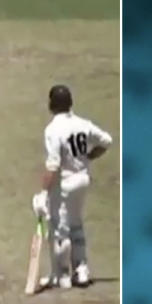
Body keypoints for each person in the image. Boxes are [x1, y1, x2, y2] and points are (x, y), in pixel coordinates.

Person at [33, 85, 112, 289]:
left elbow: (53, 165)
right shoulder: (83, 124)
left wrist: (43, 193)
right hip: (82, 180)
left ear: (51, 105)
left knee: (60, 229)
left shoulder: (53, 130)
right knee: (76, 225)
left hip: (65, 184)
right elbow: (106, 141)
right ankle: (81, 270)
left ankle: (62, 275)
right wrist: (88, 157)